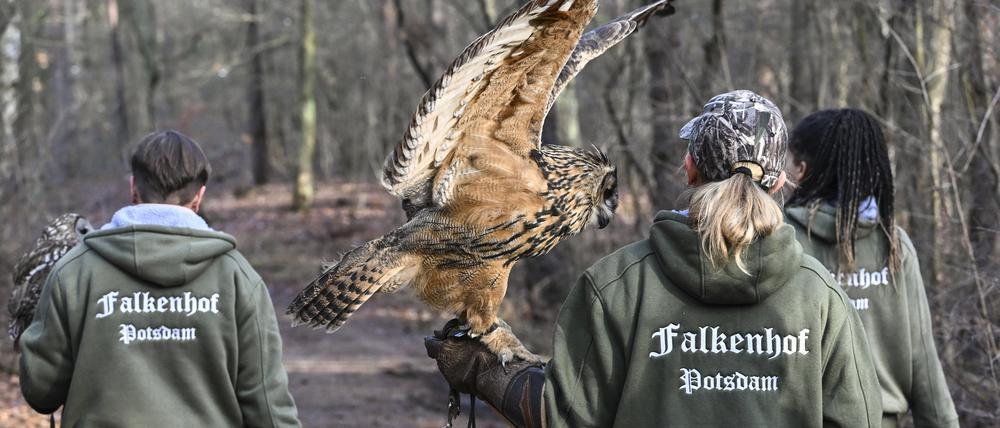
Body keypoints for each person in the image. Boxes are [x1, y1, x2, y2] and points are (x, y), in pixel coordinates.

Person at [425, 90, 883, 427]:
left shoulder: (615, 286)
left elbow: (564, 415)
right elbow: (858, 418)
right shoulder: (820, 295)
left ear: (690, 168)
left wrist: (486, 371)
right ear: (780, 182)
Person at [18, 130, 301, 427]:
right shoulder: (238, 279)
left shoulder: (73, 273)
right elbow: (269, 410)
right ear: (199, 196)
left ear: (133, 187)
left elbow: (41, 392)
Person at [784, 109, 958, 428]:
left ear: (804, 171)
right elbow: (924, 364)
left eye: (791, 164)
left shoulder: (783, 242)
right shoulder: (893, 243)